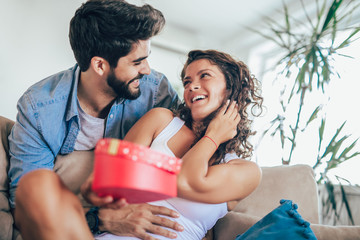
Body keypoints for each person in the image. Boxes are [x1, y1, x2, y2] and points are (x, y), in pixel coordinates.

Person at [8, 0, 183, 239]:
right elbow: (26, 205)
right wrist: (100, 218)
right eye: (137, 61)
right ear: (99, 65)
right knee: (35, 185)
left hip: (151, 218)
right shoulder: (39, 108)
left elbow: (188, 152)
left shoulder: (156, 92)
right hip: (77, 220)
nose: (147, 70)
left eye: (146, 58)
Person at [88, 49, 264, 239]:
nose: (192, 86)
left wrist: (213, 136)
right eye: (187, 82)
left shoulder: (246, 171)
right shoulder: (160, 121)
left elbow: (185, 181)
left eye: (204, 76)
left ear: (230, 88)